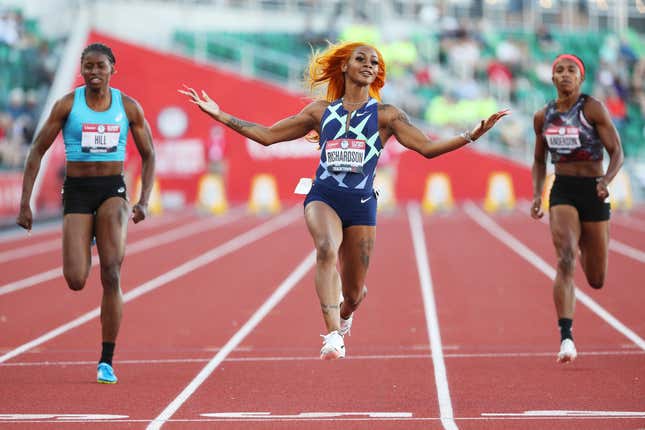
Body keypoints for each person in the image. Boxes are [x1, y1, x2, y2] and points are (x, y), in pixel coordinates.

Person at [180, 41, 508, 360]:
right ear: (344, 66)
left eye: (374, 63)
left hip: (362, 202)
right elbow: (267, 136)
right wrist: (220, 115)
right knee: (325, 248)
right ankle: (333, 335)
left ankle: (346, 312)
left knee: (353, 293)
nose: (369, 65)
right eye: (361, 59)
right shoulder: (320, 112)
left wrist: (472, 134)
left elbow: (427, 149)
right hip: (323, 194)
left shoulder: (386, 115)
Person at [16, 43, 156, 382]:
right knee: (76, 279)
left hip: (112, 191)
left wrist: (143, 200)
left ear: (112, 69)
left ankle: (106, 359)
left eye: (100, 66)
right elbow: (36, 150)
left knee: (111, 271)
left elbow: (149, 154)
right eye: (88, 67)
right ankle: (90, 237)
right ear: (82, 70)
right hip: (78, 193)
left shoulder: (128, 107)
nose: (94, 72)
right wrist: (25, 201)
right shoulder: (68, 105)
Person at [530, 54, 624, 364]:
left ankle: (584, 243)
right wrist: (535, 194)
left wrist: (607, 180)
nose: (565, 74)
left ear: (580, 78)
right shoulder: (543, 117)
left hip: (593, 191)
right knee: (565, 257)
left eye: (572, 70)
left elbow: (617, 152)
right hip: (563, 190)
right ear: (552, 78)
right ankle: (566, 336)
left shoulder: (592, 108)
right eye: (559, 70)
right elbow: (538, 160)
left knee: (596, 278)